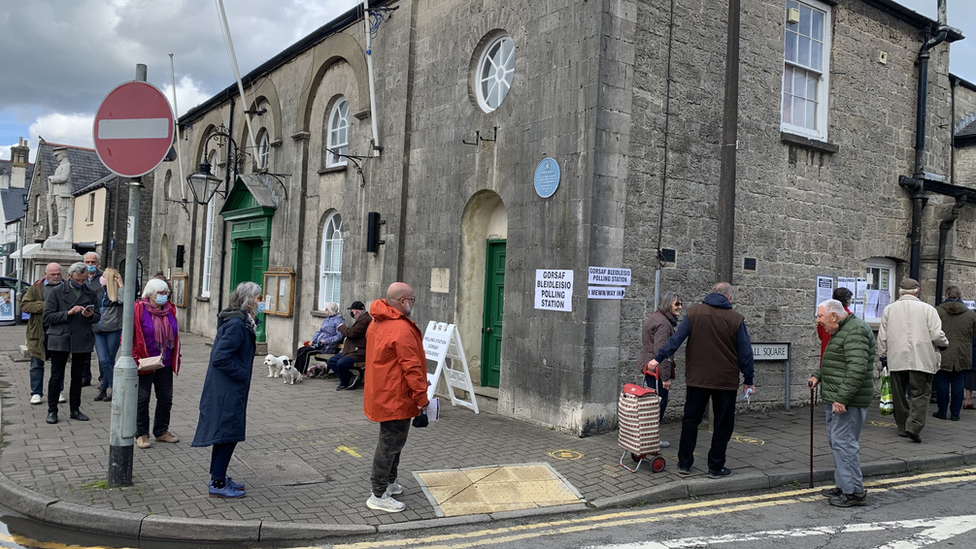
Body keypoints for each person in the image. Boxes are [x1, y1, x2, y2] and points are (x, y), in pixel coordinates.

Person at [647, 282, 754, 479]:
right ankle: (715, 467)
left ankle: (684, 463)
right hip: (725, 381)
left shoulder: (693, 313)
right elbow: (745, 352)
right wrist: (749, 379)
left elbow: (675, 340)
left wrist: (658, 358)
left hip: (697, 379)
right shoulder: (736, 319)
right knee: (723, 424)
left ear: (712, 293)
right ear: (729, 298)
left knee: (690, 421)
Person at [191, 282, 263, 498]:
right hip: (227, 389)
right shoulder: (236, 325)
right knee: (227, 434)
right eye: (259, 297)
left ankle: (218, 475)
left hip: (229, 387)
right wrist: (241, 374)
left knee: (226, 434)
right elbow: (220, 358)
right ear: (249, 300)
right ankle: (218, 483)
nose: (261, 301)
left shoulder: (242, 322)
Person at [364, 282, 429, 513]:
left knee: (393, 443)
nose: (413, 303)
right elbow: (411, 367)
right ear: (403, 301)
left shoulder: (377, 321)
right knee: (390, 444)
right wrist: (422, 398)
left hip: (384, 392)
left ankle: (389, 483)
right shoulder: (400, 328)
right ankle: (378, 493)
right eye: (412, 299)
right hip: (396, 396)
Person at [809, 299, 875, 507]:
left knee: (844, 444)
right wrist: (818, 375)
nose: (818, 320)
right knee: (838, 443)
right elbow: (838, 362)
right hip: (836, 396)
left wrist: (842, 398)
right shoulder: (843, 330)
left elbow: (857, 368)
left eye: (820, 316)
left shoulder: (855, 331)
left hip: (847, 400)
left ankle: (855, 492)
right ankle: (844, 485)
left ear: (834, 316)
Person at [877, 278, 948, 443]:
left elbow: (882, 336)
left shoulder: (889, 309)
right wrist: (945, 343)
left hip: (896, 357)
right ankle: (914, 426)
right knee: (921, 393)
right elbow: (937, 335)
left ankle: (902, 426)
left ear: (900, 292)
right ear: (918, 291)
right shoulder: (928, 309)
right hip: (921, 358)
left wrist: (883, 354)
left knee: (898, 394)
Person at [42, 262, 99, 424]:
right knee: (56, 375)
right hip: (60, 337)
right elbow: (47, 316)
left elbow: (97, 317)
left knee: (77, 377)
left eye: (83, 280)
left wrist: (89, 315)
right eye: (77, 280)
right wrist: (68, 312)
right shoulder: (57, 292)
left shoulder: (90, 292)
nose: (80, 283)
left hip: (82, 338)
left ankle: (75, 409)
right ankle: (52, 410)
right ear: (69, 276)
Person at [131, 278, 181, 449]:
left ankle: (161, 431)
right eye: (161, 293)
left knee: (166, 398)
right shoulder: (138, 309)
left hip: (164, 362)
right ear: (151, 294)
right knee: (142, 399)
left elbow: (175, 335)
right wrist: (135, 357)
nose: (164, 296)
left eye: (166, 293)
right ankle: (141, 434)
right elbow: (129, 336)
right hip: (144, 362)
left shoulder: (170, 310)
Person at [637, 291, 683, 448]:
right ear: (668, 304)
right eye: (677, 304)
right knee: (657, 407)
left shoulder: (655, 317)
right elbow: (661, 353)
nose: (680, 307)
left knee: (649, 405)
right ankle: (651, 440)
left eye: (681, 303)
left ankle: (645, 438)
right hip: (655, 372)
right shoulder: (663, 324)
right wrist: (665, 378)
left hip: (648, 368)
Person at [20, 263, 64, 405]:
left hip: (58, 331)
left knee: (58, 363)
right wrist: (47, 305)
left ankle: (57, 391)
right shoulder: (36, 288)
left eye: (58, 274)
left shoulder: (66, 287)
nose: (56, 277)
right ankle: (36, 393)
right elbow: (25, 305)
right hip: (39, 331)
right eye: (53, 274)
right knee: (36, 362)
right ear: (46, 274)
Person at [934, 286, 976, 421]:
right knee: (958, 382)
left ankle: (942, 411)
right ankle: (955, 413)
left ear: (946, 295)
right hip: (962, 351)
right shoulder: (971, 314)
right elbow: (974, 333)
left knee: (942, 381)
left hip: (943, 350)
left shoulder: (938, 311)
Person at [92, 268, 124, 402]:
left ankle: (103, 390)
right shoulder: (99, 292)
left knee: (110, 359)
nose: (101, 278)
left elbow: (127, 303)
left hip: (113, 330)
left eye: (104, 276)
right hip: (98, 331)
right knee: (104, 360)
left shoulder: (117, 293)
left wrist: (121, 285)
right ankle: (114, 387)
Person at [329, 301, 373, 390]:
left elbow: (351, 333)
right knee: (332, 361)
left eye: (352, 311)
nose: (352, 313)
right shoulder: (361, 319)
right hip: (351, 350)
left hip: (358, 351)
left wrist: (341, 327)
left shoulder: (365, 320)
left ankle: (344, 383)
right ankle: (351, 378)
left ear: (356, 311)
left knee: (341, 363)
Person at [293, 302, 345, 375]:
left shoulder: (339, 321)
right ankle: (295, 371)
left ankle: (302, 372)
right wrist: (312, 340)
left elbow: (339, 336)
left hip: (326, 346)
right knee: (300, 350)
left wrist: (326, 341)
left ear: (331, 310)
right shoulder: (327, 319)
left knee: (306, 352)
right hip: (318, 343)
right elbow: (320, 330)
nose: (325, 311)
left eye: (326, 309)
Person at [818, 287, 853, 358]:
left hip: (826, 353)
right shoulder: (848, 317)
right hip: (840, 357)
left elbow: (820, 334)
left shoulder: (824, 315)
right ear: (847, 300)